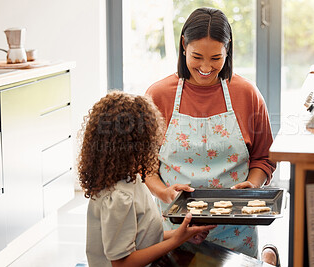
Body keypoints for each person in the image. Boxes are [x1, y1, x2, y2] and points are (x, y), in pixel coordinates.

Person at [145, 7, 278, 264]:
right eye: (197, 57)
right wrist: (163, 192)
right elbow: (143, 165)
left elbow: (264, 157)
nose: (206, 68)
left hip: (236, 231)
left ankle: (266, 258)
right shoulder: (158, 95)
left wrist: (252, 186)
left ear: (228, 51)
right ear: (183, 45)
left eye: (216, 58)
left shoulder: (247, 94)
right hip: (173, 230)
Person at [77, 91, 216, 267]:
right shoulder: (119, 197)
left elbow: (143, 238)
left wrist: (183, 234)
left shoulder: (131, 179)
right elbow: (121, 263)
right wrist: (175, 241)